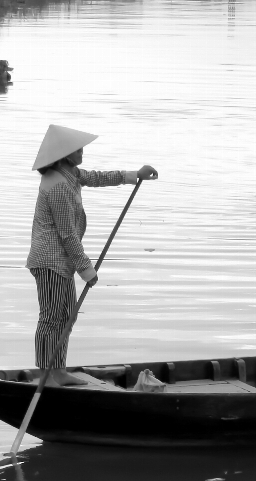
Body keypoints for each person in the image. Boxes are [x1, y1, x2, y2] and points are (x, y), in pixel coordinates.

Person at [26, 124, 157, 386]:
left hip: (61, 261)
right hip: (49, 260)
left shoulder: (69, 174)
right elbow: (66, 234)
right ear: (64, 154)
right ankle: (47, 374)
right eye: (78, 149)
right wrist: (87, 270)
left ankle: (58, 371)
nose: (82, 152)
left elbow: (97, 177)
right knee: (51, 318)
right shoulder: (57, 185)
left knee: (67, 316)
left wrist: (134, 175)